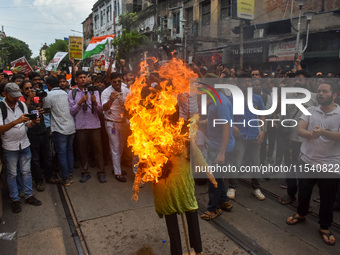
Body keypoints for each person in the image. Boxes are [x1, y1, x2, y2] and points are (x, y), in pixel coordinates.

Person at [286, 80, 340, 246]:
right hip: (307, 160)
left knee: (327, 198)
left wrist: (323, 132)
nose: (321, 94)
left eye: (325, 91)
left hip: (330, 165)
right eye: (319, 91)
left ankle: (324, 226)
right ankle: (301, 213)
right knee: (304, 192)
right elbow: (300, 130)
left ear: (335, 95)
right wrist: (312, 134)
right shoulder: (310, 110)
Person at [0, 83, 42, 213]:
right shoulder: (1, 107)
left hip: (24, 143)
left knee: (26, 171)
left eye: (17, 96)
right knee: (12, 174)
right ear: (4, 94)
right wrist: (15, 122)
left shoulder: (22, 104)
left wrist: (33, 122)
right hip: (10, 146)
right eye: (13, 97)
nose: (16, 99)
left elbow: (27, 124)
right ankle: (15, 199)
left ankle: (29, 195)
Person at [228, 76, 266, 201]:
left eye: (249, 81)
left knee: (256, 162)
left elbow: (262, 116)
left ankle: (256, 188)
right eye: (245, 81)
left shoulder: (257, 98)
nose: (248, 83)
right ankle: (232, 187)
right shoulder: (233, 99)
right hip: (240, 136)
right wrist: (232, 126)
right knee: (236, 162)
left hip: (255, 135)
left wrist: (263, 131)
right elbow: (228, 116)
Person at [200, 87, 234, 220]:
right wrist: (203, 122)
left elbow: (226, 129)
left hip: (220, 148)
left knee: (213, 178)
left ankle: (213, 209)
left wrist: (221, 153)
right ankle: (224, 201)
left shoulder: (221, 103)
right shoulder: (215, 101)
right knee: (217, 177)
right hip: (215, 145)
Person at [69, 70, 106, 183]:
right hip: (81, 126)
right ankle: (85, 172)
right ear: (76, 80)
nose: (83, 79)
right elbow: (71, 111)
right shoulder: (72, 93)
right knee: (83, 151)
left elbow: (101, 110)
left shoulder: (94, 91)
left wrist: (95, 102)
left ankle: (101, 172)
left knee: (98, 150)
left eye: (85, 77)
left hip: (94, 125)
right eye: (80, 77)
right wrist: (80, 102)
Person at [19, 80, 55, 191]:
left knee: (48, 156)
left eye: (31, 88)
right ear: (21, 90)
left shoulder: (36, 98)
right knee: (35, 159)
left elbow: (38, 110)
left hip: (42, 130)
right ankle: (39, 180)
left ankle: (49, 176)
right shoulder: (20, 102)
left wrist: (41, 101)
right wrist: (29, 98)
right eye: (27, 89)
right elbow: (24, 111)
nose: (30, 90)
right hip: (31, 133)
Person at [44, 76, 76, 186]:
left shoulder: (48, 95)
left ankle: (65, 178)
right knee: (69, 151)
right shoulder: (66, 93)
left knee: (62, 154)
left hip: (59, 129)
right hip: (71, 127)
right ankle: (70, 174)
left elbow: (46, 112)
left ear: (48, 85)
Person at [101, 72, 129, 182]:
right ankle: (118, 173)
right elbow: (103, 108)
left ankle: (117, 168)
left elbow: (131, 104)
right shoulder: (106, 92)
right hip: (111, 123)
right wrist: (111, 100)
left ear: (121, 80)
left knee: (121, 146)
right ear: (111, 82)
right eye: (114, 82)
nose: (117, 83)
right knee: (115, 147)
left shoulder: (126, 90)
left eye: (119, 81)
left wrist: (125, 105)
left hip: (123, 122)